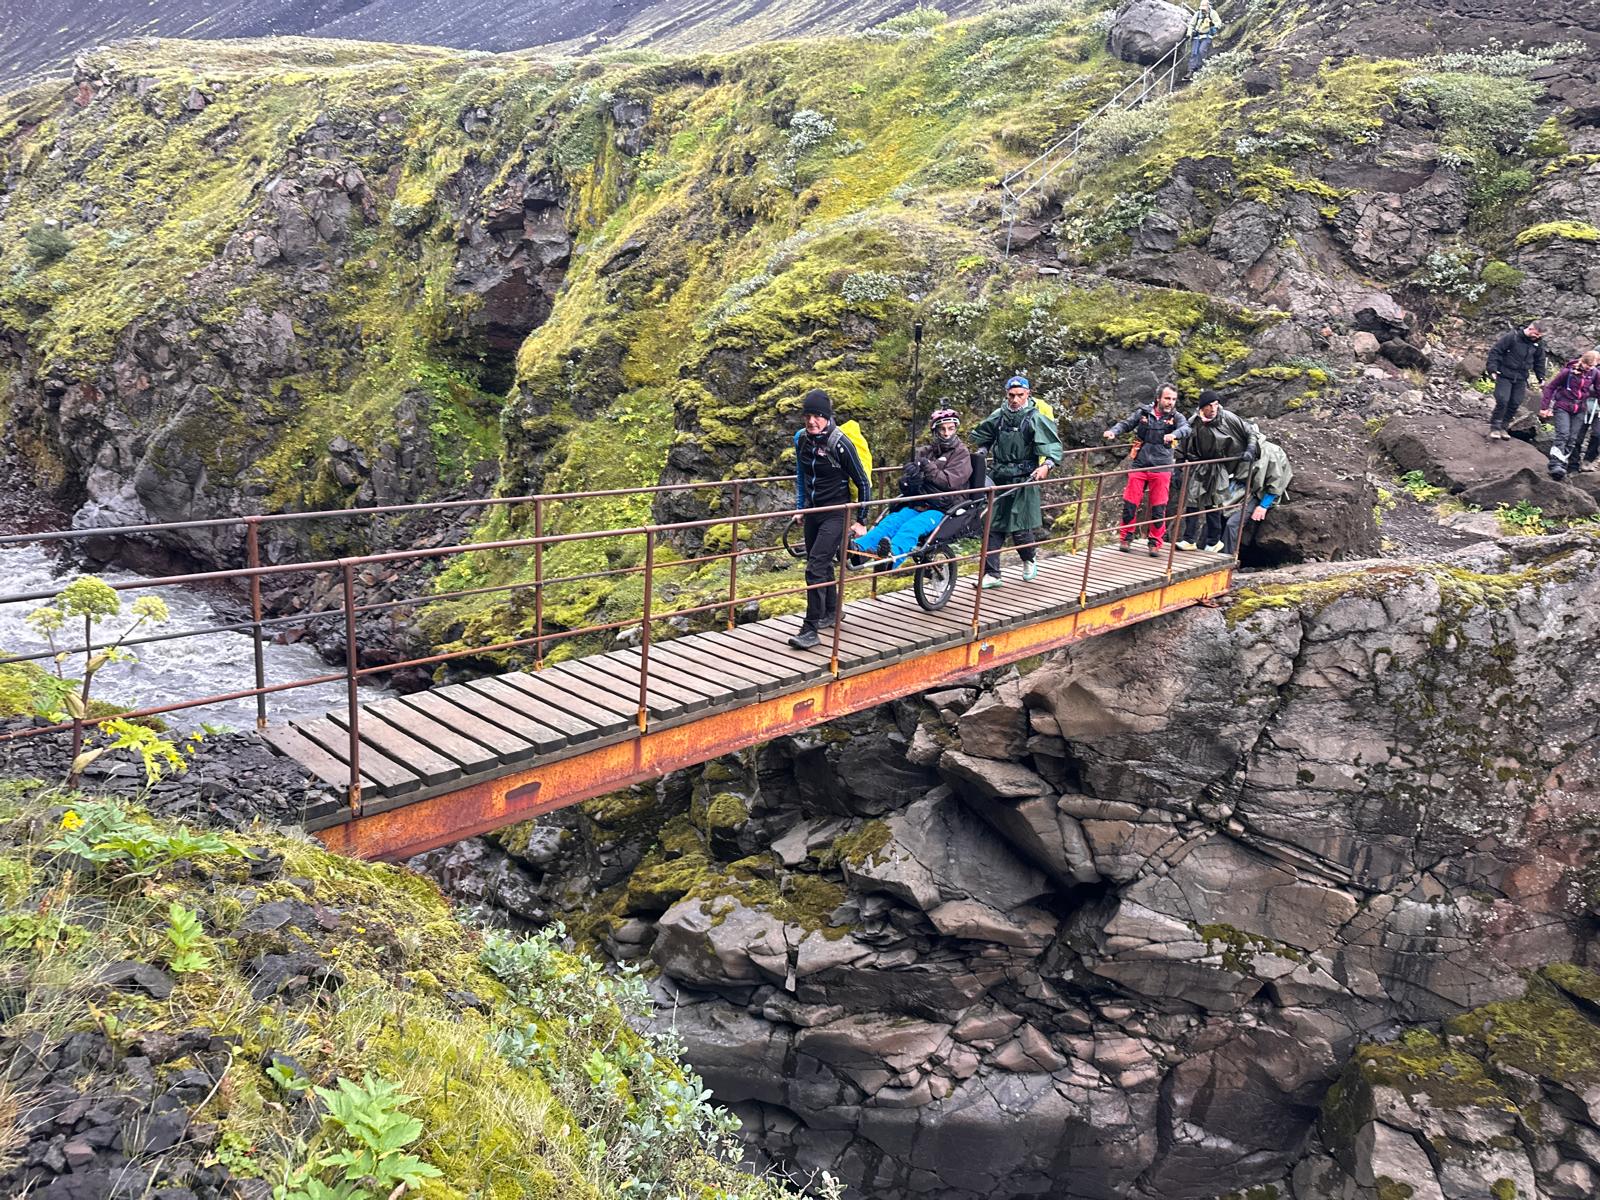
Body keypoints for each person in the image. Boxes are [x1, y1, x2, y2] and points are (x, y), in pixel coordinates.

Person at [788, 389, 872, 650]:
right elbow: (802, 476)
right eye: (808, 416)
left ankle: (810, 628)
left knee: (814, 567)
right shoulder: (802, 440)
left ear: (827, 417)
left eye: (818, 416)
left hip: (837, 512)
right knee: (821, 564)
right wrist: (801, 507)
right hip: (813, 511)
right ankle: (832, 612)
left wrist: (861, 520)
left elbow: (862, 482)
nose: (812, 421)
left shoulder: (840, 443)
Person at [969, 376, 1064, 589]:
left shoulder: (1035, 418)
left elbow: (1051, 445)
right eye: (1011, 395)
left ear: (1027, 394)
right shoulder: (999, 416)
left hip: (1024, 478)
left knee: (1020, 527)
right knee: (991, 524)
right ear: (1006, 394)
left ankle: (1029, 559)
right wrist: (982, 451)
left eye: (1020, 395)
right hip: (999, 476)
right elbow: (985, 436)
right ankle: (992, 574)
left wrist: (1046, 464)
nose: (1015, 399)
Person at [850, 409, 973, 569]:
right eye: (942, 429)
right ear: (935, 430)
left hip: (944, 507)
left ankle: (891, 558)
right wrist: (911, 479)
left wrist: (927, 468)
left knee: (911, 528)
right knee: (891, 521)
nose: (947, 433)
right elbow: (907, 486)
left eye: (951, 428)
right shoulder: (926, 452)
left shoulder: (961, 454)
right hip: (921, 502)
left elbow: (950, 482)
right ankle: (859, 550)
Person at [1103, 383, 1190, 557]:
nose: (1170, 402)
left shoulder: (1176, 417)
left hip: (1162, 465)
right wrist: (1114, 431)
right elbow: (1126, 424)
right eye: (1167, 398)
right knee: (1130, 503)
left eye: (1173, 399)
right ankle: (1126, 538)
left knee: (1158, 506)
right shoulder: (1144, 413)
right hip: (1140, 463)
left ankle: (1155, 542)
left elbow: (1186, 428)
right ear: (1158, 398)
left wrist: (1175, 435)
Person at [1175, 390, 1258, 552]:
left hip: (1219, 465)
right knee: (1192, 500)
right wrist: (1178, 467)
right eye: (1209, 406)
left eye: (1215, 404)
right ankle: (1189, 539)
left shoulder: (1228, 418)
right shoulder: (1195, 422)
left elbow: (1250, 432)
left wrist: (1250, 449)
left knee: (1213, 503)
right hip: (1200, 464)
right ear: (1202, 408)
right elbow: (1183, 444)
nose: (1213, 409)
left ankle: (1213, 542)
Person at [1222, 432, 1292, 554]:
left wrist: (1263, 506)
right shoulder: (1239, 447)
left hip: (1258, 493)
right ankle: (1204, 551)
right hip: (1238, 487)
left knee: (1232, 524)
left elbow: (1275, 482)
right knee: (1214, 515)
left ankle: (1226, 556)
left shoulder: (1269, 454)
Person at [1538, 350, 1600, 480]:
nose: (1590, 369)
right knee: (1563, 434)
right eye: (1588, 366)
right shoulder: (1568, 372)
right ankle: (1555, 464)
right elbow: (1551, 387)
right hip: (1563, 406)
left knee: (1573, 438)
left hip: (1580, 408)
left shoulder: (1594, 373)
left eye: (1593, 366)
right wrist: (1545, 407)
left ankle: (1562, 462)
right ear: (1582, 362)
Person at [1485, 320, 1548, 440]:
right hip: (1504, 374)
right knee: (1503, 400)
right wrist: (1492, 369)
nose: (1537, 338)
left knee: (1515, 402)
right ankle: (1495, 427)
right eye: (1536, 334)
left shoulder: (1538, 344)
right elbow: (1496, 351)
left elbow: (1539, 361)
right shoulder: (1512, 337)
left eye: (1540, 336)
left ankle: (1504, 427)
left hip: (1521, 377)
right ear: (1530, 329)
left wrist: (1541, 377)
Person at [1187, 1, 1222, 72]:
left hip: (1207, 36)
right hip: (1197, 36)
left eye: (1204, 8)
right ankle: (1190, 70)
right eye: (1201, 8)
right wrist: (1189, 34)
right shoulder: (1197, 14)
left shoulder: (1212, 13)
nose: (1202, 10)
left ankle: (1200, 68)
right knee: (1194, 53)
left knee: (1202, 51)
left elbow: (1218, 23)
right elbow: (1191, 25)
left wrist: (1212, 24)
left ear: (1208, 6)